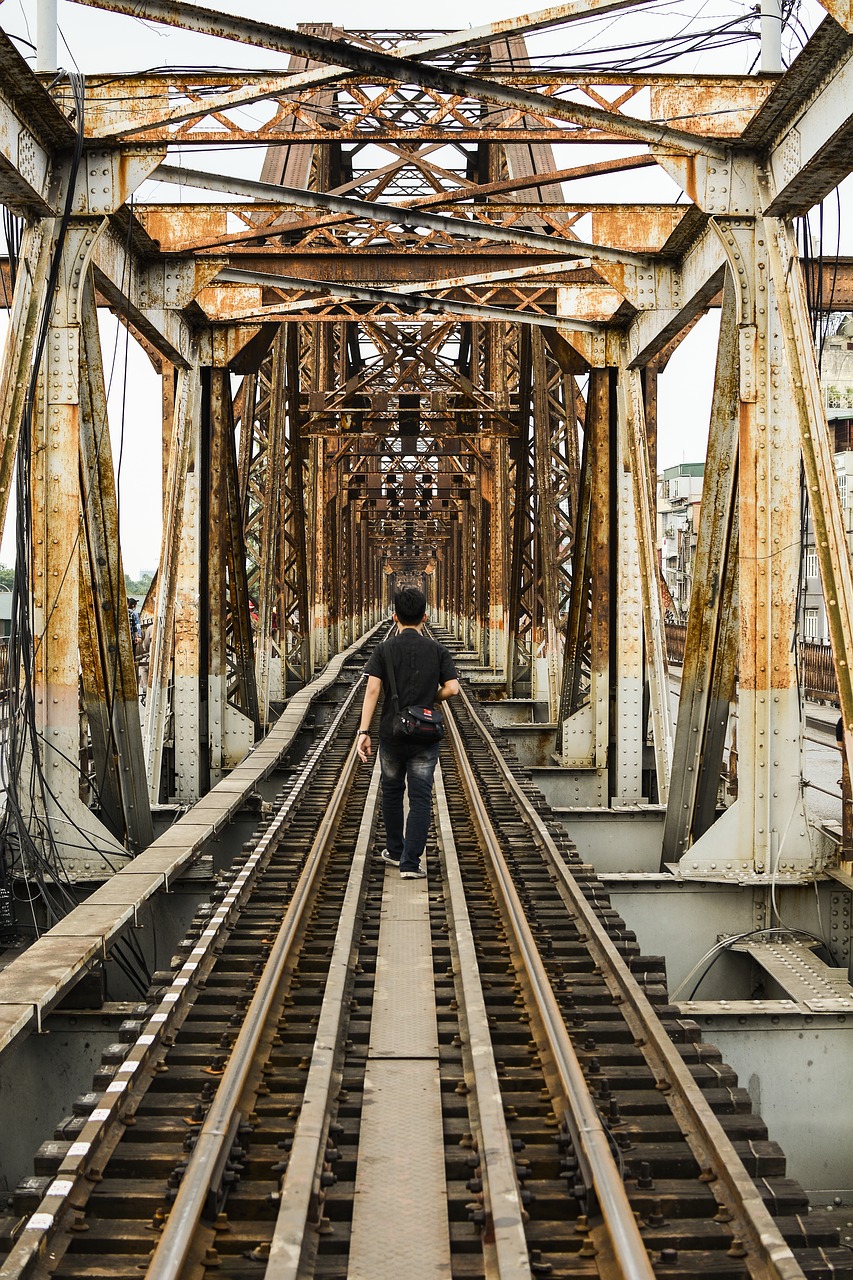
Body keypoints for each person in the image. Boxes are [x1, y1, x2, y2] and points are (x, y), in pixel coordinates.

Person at [356, 587, 459, 879]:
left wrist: (364, 731)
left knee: (391, 792)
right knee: (421, 796)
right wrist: (431, 698)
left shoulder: (384, 649)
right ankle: (411, 864)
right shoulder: (437, 650)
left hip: (391, 732)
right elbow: (452, 688)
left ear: (394, 618)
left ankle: (395, 850)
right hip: (425, 733)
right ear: (425, 617)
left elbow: (373, 690)